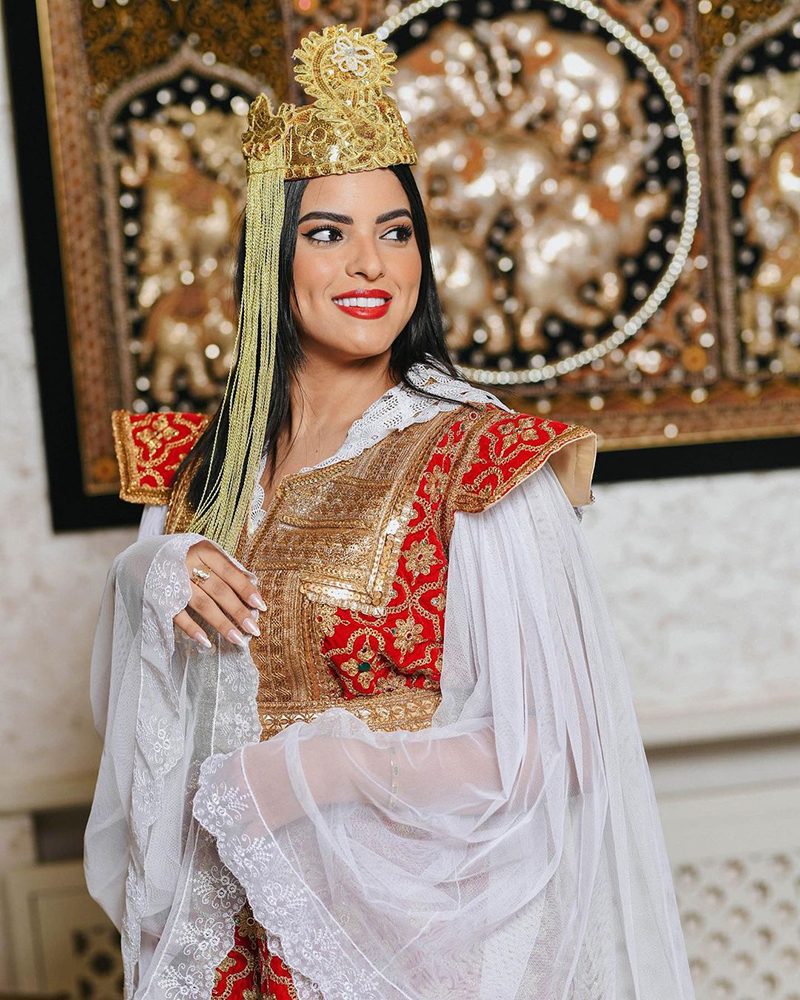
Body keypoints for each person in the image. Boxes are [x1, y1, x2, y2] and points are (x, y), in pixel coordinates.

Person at [85, 23, 695, 1000]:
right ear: (270, 255)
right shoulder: (201, 472)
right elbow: (148, 732)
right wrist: (143, 574)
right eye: (328, 233)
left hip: (401, 953)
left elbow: (563, 746)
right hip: (224, 955)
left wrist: (309, 775)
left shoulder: (474, 456)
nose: (370, 263)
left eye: (396, 231)